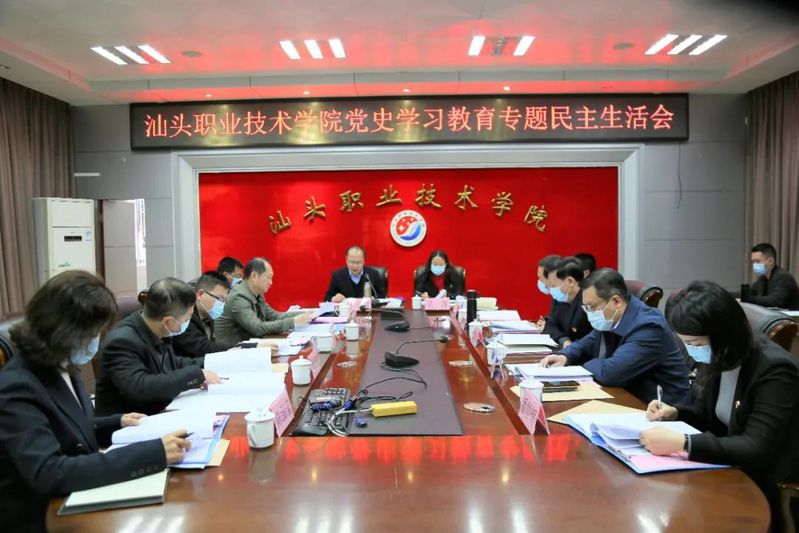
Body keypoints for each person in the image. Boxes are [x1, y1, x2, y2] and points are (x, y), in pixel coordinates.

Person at [0, 271, 191, 532]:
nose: (96, 342)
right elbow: (50, 472)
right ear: (63, 331)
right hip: (43, 517)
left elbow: (71, 429)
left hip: (80, 498)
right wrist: (153, 453)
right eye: (92, 334)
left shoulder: (61, 363)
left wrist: (118, 422)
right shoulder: (17, 386)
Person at [640, 280, 799, 528]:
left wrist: (684, 442)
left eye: (695, 344)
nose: (691, 352)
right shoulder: (721, 356)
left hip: (765, 478)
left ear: (723, 333)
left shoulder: (775, 370)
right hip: (727, 463)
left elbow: (756, 448)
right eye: (686, 343)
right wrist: (675, 413)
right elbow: (709, 416)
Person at [539, 268, 690, 405]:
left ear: (616, 301)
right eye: (585, 308)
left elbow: (611, 373)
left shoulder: (648, 326)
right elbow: (590, 341)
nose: (589, 313)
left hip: (659, 409)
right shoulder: (612, 318)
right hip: (627, 395)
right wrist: (565, 356)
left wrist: (582, 365)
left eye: (591, 307)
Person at [95, 277, 220, 416]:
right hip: (131, 422)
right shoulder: (122, 341)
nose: (188, 322)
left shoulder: (157, 330)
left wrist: (214, 363)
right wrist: (194, 375)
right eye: (186, 319)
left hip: (159, 411)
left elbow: (172, 363)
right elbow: (140, 386)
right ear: (168, 321)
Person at [215, 257, 312, 345]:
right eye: (268, 277)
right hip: (232, 351)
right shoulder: (239, 297)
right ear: (254, 276)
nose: (271, 282)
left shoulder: (257, 293)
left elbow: (273, 316)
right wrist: (293, 321)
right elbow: (257, 328)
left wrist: (306, 313)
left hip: (251, 346)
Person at [172, 271, 233, 358]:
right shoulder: (184, 316)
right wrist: (236, 348)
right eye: (219, 299)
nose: (221, 304)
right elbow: (202, 348)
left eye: (224, 301)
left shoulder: (208, 315)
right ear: (200, 294)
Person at [542, 257, 592, 347]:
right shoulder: (562, 299)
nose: (550, 289)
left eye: (553, 285)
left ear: (570, 281)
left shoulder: (589, 302)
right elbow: (550, 325)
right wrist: (564, 340)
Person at [742, 242, 799, 310]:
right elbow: (751, 292)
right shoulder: (762, 278)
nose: (754, 265)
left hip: (788, 316)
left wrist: (749, 298)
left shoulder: (784, 278)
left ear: (771, 261)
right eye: (753, 262)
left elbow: (774, 301)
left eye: (758, 261)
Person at [535, 254, 561, 329]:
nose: (540, 282)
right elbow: (555, 320)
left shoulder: (563, 295)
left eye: (541, 279)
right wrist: (546, 322)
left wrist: (547, 327)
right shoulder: (557, 296)